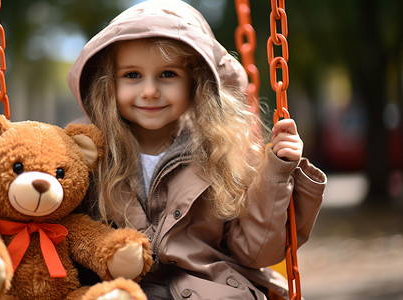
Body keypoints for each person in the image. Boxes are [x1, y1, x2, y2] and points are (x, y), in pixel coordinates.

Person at [67, 0, 326, 299]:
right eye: (132, 75)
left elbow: (256, 252)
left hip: (211, 288)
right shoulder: (90, 154)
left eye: (168, 74)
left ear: (196, 81)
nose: (149, 91)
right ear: (108, 84)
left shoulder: (223, 154)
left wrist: (277, 174)